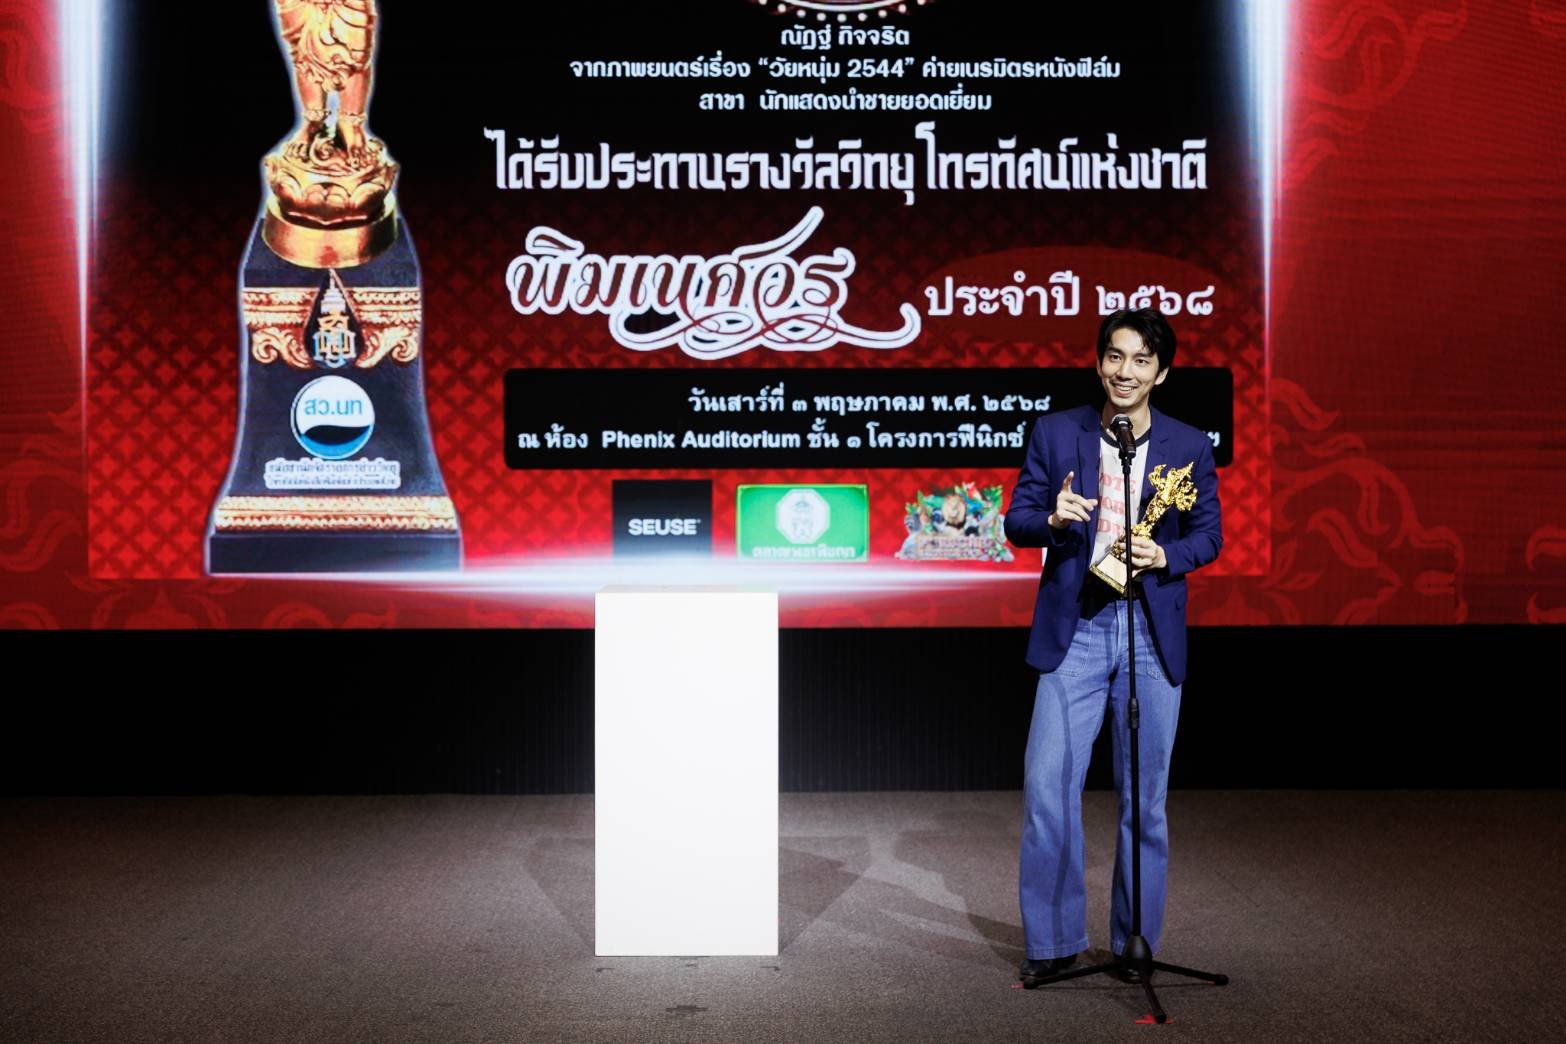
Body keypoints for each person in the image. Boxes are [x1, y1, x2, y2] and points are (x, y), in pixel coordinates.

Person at [1003, 308, 1222, 988]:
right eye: (1115, 357)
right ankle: (1053, 941)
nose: (1125, 371)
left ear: (1162, 372)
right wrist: (1050, 518)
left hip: (1150, 632)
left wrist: (1167, 554)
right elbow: (1016, 520)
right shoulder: (1056, 432)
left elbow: (1209, 535)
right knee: (1049, 787)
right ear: (1099, 363)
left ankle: (1135, 940)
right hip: (1077, 629)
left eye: (1141, 360)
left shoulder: (1190, 444)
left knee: (1144, 801)